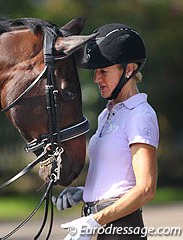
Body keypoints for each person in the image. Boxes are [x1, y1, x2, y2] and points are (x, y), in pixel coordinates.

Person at [52, 23, 159, 240]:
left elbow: (146, 188)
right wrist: (86, 193)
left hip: (121, 229)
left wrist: (94, 220)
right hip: (103, 224)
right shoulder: (106, 114)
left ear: (129, 70)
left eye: (104, 71)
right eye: (95, 71)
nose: (96, 78)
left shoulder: (140, 115)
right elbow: (119, 179)